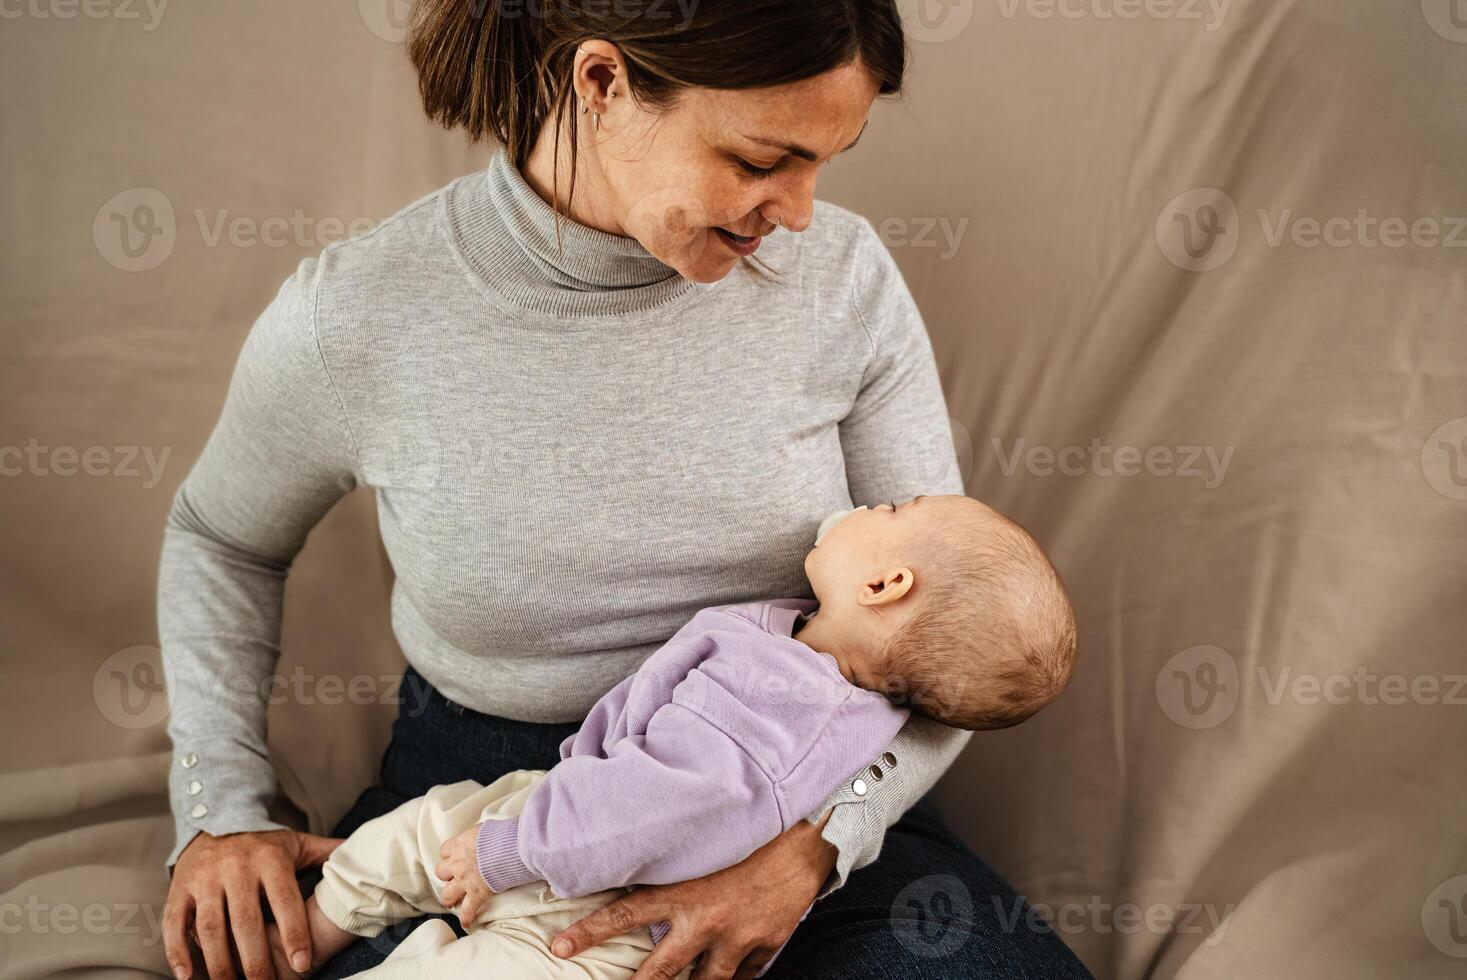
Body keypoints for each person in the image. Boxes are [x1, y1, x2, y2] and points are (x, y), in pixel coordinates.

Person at [158, 2, 1094, 977]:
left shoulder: (845, 280)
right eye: (763, 160)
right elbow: (220, 536)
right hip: (490, 820)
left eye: (827, 160)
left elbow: (942, 630)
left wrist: (811, 851)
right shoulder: (359, 316)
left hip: (800, 792)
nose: (803, 214)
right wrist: (219, 803)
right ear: (601, 84)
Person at [251, 495, 1078, 978]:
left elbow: (655, 809)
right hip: (564, 801)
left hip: (607, 900)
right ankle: (327, 925)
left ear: (885, 582)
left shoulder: (776, 719)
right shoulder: (808, 647)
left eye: (891, 509)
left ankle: (410, 946)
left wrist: (511, 853)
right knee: (420, 827)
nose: (869, 503)